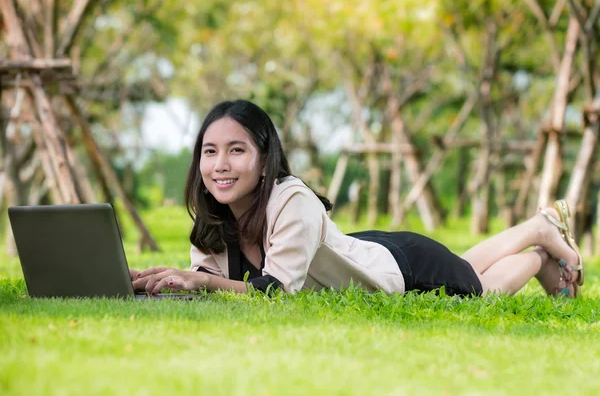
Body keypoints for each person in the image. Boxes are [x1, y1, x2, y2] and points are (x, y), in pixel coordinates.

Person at [131, 100, 584, 298]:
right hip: (365, 250)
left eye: (237, 150)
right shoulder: (215, 217)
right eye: (210, 152)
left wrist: (203, 284)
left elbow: (274, 293)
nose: (220, 165)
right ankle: (537, 229)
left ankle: (538, 250)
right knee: (463, 266)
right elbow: (205, 280)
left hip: (401, 269)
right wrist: (159, 281)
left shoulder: (291, 198)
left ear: (265, 159)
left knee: (478, 289)